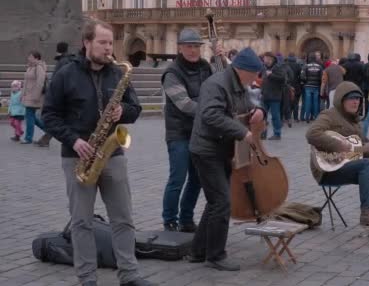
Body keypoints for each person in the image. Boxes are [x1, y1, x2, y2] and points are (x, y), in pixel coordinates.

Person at [42, 20, 153, 286]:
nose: (108, 49)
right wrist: (74, 140)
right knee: (82, 222)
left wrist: (122, 111)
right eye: (102, 42)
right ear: (87, 43)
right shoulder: (66, 73)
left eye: (110, 43)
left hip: (112, 155)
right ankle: (87, 279)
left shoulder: (118, 72)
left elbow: (135, 109)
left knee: (123, 219)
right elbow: (49, 115)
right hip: (78, 156)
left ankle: (129, 275)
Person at [189, 47, 266, 271]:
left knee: (215, 202)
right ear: (242, 70)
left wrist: (258, 111)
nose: (255, 80)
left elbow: (246, 107)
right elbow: (211, 115)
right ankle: (215, 256)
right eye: (254, 74)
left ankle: (198, 251)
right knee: (222, 201)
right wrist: (242, 132)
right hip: (206, 150)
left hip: (223, 149)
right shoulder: (216, 84)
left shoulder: (238, 85)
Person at [306, 82, 369, 232]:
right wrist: (338, 145)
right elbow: (312, 134)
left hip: (347, 165)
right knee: (365, 164)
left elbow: (359, 150)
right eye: (351, 99)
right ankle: (367, 213)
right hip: (327, 169)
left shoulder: (355, 123)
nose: (355, 102)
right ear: (341, 99)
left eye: (358, 99)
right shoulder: (329, 115)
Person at [161, 29, 212, 232]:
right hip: (179, 133)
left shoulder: (205, 67)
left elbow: (218, 88)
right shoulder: (172, 72)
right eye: (189, 46)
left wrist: (221, 59)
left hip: (199, 132)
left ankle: (187, 219)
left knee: (197, 179)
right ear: (180, 48)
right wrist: (210, 108)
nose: (193, 50)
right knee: (177, 178)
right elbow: (184, 105)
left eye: (196, 46)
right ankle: (169, 220)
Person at [21, 50, 47, 144]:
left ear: (36, 58)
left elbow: (40, 83)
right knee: (31, 117)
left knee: (29, 117)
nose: (29, 58)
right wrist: (22, 94)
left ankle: (28, 138)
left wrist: (36, 96)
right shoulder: (30, 67)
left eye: (31, 56)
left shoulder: (39, 68)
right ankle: (49, 130)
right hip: (28, 96)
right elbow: (26, 82)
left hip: (34, 96)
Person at [260, 52, 286, 140]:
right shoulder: (264, 68)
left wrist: (271, 75)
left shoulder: (278, 67)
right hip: (265, 95)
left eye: (265, 58)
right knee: (262, 115)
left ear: (270, 59)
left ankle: (277, 133)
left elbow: (283, 78)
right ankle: (263, 132)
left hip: (275, 95)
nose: (264, 60)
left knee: (275, 116)